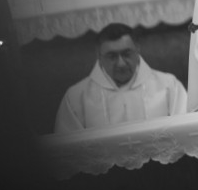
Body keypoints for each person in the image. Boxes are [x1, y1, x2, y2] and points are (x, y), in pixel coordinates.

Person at [54, 23, 188, 132]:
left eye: (127, 54)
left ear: (138, 49)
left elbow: (185, 131)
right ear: (98, 55)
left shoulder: (169, 85)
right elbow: (67, 148)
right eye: (112, 56)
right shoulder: (76, 97)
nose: (121, 63)